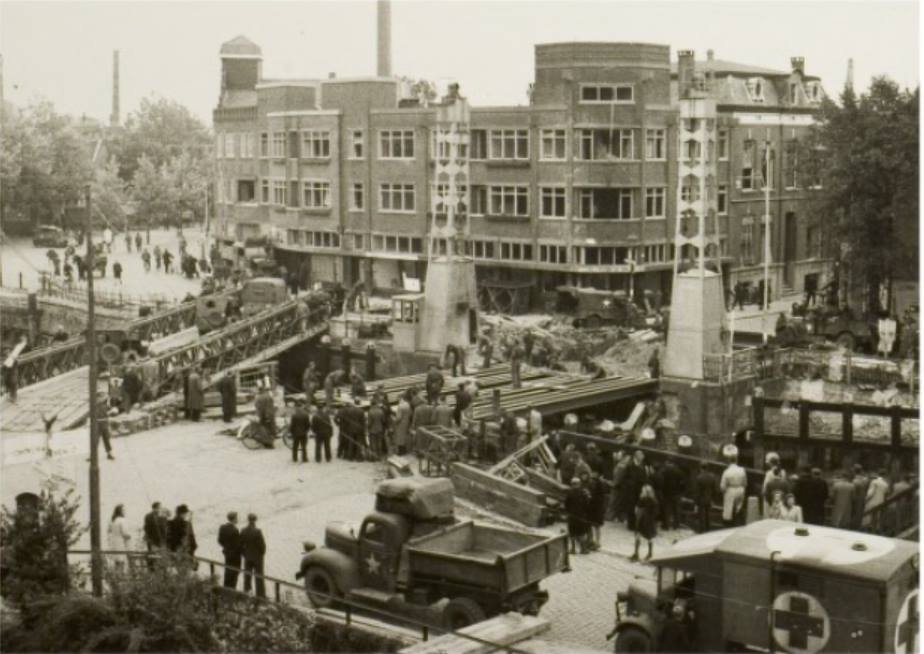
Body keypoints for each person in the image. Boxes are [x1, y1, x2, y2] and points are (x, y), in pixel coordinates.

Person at [240, 513, 267, 598]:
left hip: (247, 557)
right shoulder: (257, 531)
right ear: (255, 520)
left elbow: (240, 545)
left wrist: (244, 554)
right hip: (257, 557)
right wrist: (261, 554)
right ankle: (260, 595)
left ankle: (246, 592)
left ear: (248, 520)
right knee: (259, 576)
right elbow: (262, 546)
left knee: (247, 575)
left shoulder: (243, 530)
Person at [631, 484, 659, 562]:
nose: (642, 492)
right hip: (641, 520)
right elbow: (637, 508)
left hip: (647, 521)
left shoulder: (653, 501)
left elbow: (655, 512)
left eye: (643, 491)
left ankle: (650, 553)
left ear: (647, 492)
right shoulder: (642, 499)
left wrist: (648, 516)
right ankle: (636, 553)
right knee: (638, 535)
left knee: (649, 537)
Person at [565, 478, 591, 555]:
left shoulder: (569, 493)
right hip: (581, 516)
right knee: (581, 533)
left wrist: (568, 512)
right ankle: (583, 549)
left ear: (572, 484)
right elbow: (587, 505)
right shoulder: (583, 493)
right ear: (579, 484)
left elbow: (566, 505)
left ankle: (573, 549)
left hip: (572, 516)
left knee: (572, 533)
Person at [720, 457, 747, 527]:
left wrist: (723, 491)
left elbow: (723, 486)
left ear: (729, 461)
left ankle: (729, 523)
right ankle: (739, 522)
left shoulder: (727, 471)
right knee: (739, 508)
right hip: (740, 489)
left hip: (730, 489)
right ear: (736, 461)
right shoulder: (742, 470)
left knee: (729, 509)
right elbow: (745, 483)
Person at [218, 512, 242, 589]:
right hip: (235, 556)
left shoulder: (222, 527)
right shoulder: (235, 530)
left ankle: (226, 589)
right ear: (234, 519)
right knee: (234, 574)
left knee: (227, 572)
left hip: (227, 554)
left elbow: (220, 540)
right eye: (236, 518)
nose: (237, 519)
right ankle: (231, 591)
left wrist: (226, 547)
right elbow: (238, 546)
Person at [659, 459, 685, 530]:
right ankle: (676, 525)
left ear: (669, 463)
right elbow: (683, 483)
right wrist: (681, 492)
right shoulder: (679, 472)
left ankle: (666, 525)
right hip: (676, 494)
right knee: (676, 510)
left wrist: (663, 490)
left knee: (667, 510)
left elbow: (662, 482)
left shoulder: (664, 471)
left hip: (667, 493)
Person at [693, 465, 718, 533]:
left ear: (701, 469)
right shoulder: (712, 477)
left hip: (701, 499)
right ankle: (708, 530)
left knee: (701, 515)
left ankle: (701, 530)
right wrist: (713, 500)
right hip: (709, 499)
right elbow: (715, 490)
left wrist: (695, 503)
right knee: (708, 515)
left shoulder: (699, 478)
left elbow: (697, 492)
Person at [588, 470, 608, 551]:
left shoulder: (597, 484)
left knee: (595, 526)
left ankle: (596, 542)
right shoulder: (600, 484)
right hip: (598, 509)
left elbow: (595, 497)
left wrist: (590, 497)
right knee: (596, 526)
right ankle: (596, 542)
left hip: (596, 509)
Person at [107, 504, 131, 572]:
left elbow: (109, 531)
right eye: (123, 510)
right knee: (121, 561)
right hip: (120, 543)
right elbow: (125, 533)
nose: (125, 511)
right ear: (120, 511)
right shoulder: (122, 520)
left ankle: (116, 577)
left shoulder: (112, 520)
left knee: (117, 561)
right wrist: (129, 536)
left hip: (113, 542)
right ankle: (120, 577)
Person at [851, 464, 870, 530]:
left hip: (856, 499)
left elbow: (853, 491)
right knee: (860, 513)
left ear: (854, 471)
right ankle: (858, 526)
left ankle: (854, 527)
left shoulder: (855, 481)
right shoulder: (865, 479)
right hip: (863, 498)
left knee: (855, 513)